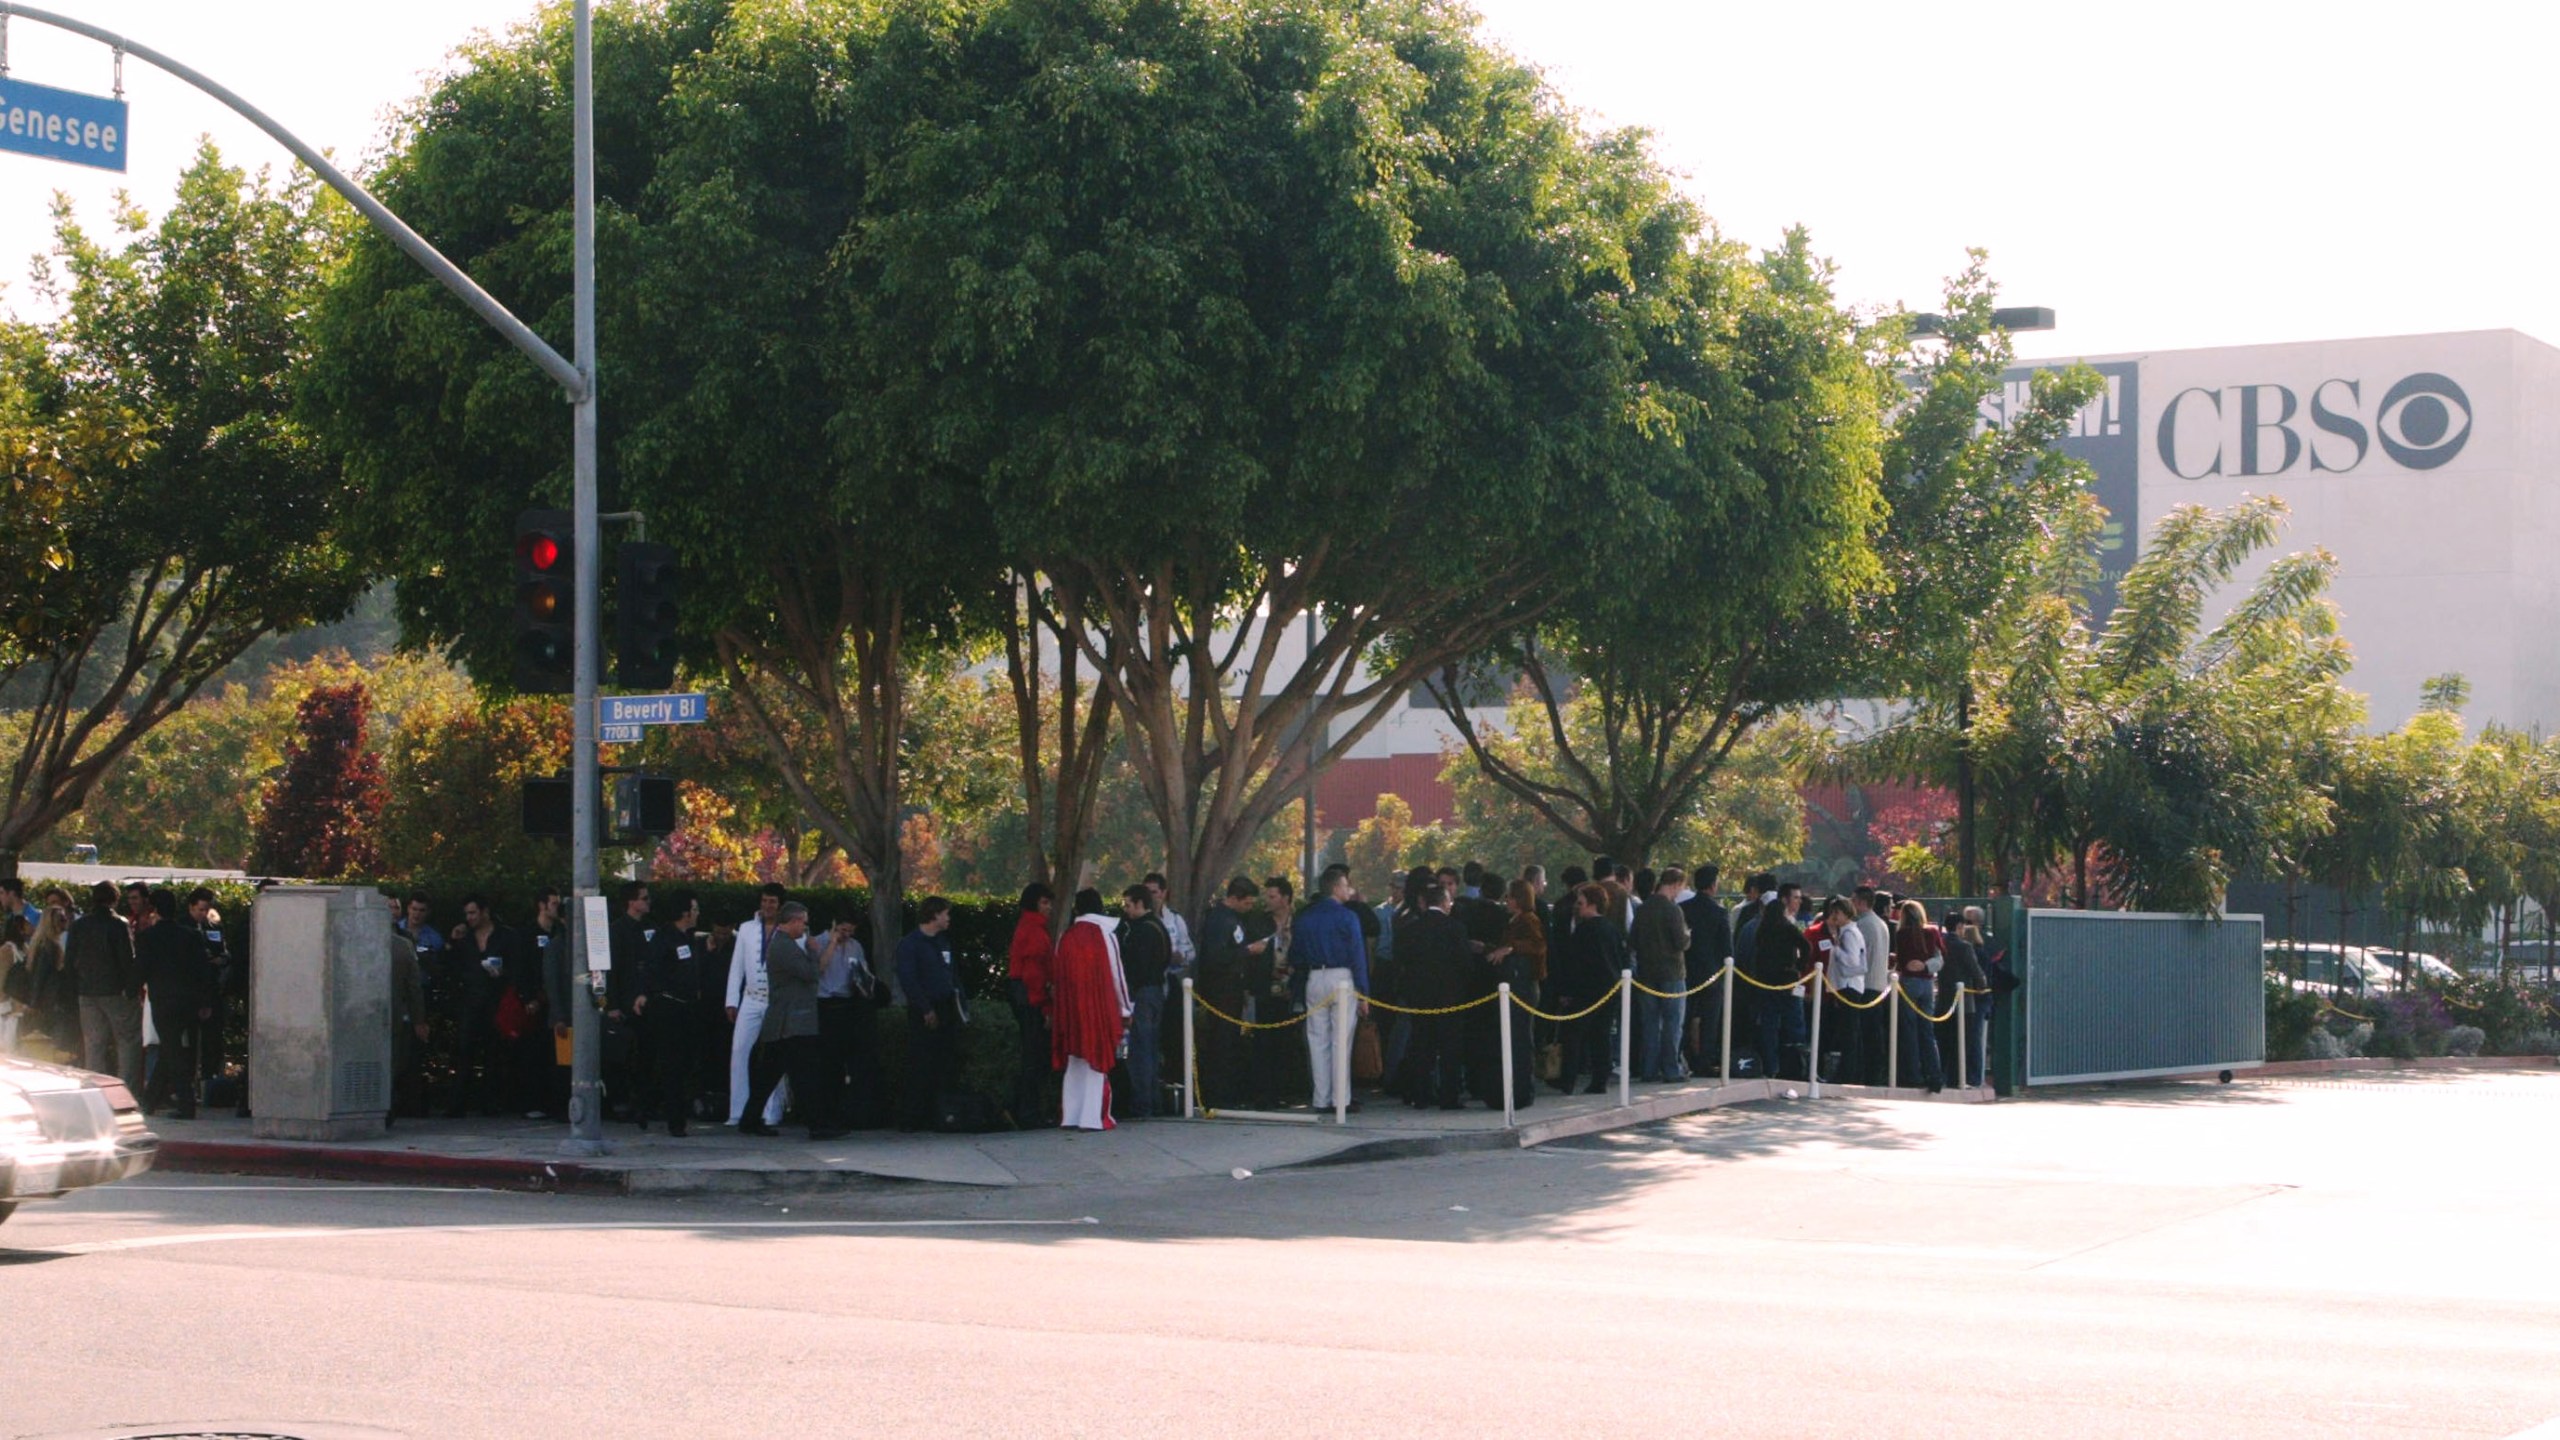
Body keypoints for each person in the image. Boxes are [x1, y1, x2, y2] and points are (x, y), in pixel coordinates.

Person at [740, 903, 844, 1140]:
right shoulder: (784, 947)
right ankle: (817, 1125)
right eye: (803, 922)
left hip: (786, 1024)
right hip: (791, 1023)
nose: (805, 927)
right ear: (793, 921)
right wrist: (813, 950)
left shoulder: (784, 945)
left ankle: (750, 1119)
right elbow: (810, 973)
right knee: (805, 1075)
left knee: (769, 1074)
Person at [1051, 889, 1131, 1131]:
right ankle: (1092, 1117)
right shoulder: (1105, 934)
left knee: (1075, 1059)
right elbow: (1117, 975)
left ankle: (1071, 1115)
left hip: (1071, 1007)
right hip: (1097, 1005)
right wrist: (1125, 1009)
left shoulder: (1067, 936)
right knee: (1097, 1057)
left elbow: (1058, 975)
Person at [1295, 866, 1370, 1114]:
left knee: (1317, 1040)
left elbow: (1296, 954)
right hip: (1342, 976)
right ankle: (1341, 1099)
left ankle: (1321, 1098)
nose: (1349, 889)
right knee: (1341, 1040)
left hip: (1314, 975)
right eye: (1346, 884)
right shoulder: (1348, 917)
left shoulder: (1305, 917)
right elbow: (1358, 955)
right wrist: (1363, 991)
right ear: (1337, 888)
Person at [1393, 880, 1472, 1109]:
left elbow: (1400, 963)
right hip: (1450, 998)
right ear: (1445, 902)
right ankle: (1449, 1096)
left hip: (1420, 997)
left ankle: (1421, 1094)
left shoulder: (1410, 930)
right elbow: (1465, 964)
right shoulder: (1456, 928)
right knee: (1450, 1049)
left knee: (1422, 1046)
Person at [634, 893, 706, 1136]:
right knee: (672, 1064)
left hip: (687, 1008)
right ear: (685, 913)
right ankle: (675, 1121)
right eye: (694, 909)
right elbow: (650, 968)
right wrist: (644, 994)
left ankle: (650, 1106)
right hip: (668, 1008)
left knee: (685, 1064)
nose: (697, 913)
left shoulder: (690, 938)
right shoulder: (664, 937)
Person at [137, 889, 212, 1118]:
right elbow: (203, 970)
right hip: (187, 1000)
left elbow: (141, 969)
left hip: (163, 1000)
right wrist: (205, 1001)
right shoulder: (191, 936)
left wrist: (132, 990)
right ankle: (149, 1101)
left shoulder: (147, 937)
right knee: (171, 1049)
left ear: (155, 910)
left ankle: (185, 1103)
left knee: (172, 1050)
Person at [893, 897, 964, 1131]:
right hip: (925, 1007)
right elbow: (909, 979)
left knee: (946, 1061)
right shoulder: (911, 944)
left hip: (947, 1004)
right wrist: (925, 1008)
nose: (948, 918)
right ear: (934, 915)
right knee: (920, 1062)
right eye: (945, 914)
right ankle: (911, 1117)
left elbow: (951, 974)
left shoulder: (942, 942)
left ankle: (942, 1114)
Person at [1548, 883, 1626, 1095]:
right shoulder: (1611, 929)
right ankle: (1600, 1079)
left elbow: (1574, 964)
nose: (1577, 907)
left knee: (1573, 1035)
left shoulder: (1584, 931)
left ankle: (1568, 1079)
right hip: (1609, 989)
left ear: (1592, 905)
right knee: (1601, 1036)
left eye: (1581, 903)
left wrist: (1566, 991)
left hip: (1586, 990)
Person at [723, 883, 790, 1128]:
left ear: (780, 904)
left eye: (772, 902)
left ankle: (771, 1111)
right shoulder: (746, 929)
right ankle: (738, 1110)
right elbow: (736, 966)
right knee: (739, 1050)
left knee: (773, 1055)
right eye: (764, 901)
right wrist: (732, 1000)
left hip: (776, 1000)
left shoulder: (788, 929)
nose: (767, 906)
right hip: (751, 997)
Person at [445, 895, 517, 1118]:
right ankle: (458, 1103)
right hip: (471, 1001)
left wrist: (502, 973)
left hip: (495, 1000)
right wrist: (452, 942)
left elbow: (517, 967)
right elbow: (451, 965)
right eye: (467, 914)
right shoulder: (465, 938)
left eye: (473, 913)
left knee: (494, 1052)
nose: (470, 918)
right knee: (465, 1050)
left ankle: (491, 1102)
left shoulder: (506, 936)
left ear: (485, 912)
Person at [1190, 877, 1258, 1110]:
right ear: (1235, 898)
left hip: (1234, 990)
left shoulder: (1234, 919)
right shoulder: (1219, 920)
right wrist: (1246, 951)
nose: (1250, 908)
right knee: (1221, 1041)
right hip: (1220, 990)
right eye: (1247, 903)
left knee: (1230, 1041)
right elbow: (1215, 957)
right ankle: (1218, 1095)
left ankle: (1228, 1091)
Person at [67, 883, 143, 1088]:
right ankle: (126, 1089)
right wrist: (132, 988)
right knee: (127, 1041)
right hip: (116, 991)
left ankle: (94, 1090)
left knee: (94, 1044)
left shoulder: (79, 925)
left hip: (87, 991)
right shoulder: (119, 924)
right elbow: (128, 959)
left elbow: (69, 960)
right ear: (114, 899)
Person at [812, 912, 882, 1128]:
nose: (846, 935)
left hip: (846, 1004)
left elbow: (863, 973)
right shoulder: (818, 942)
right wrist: (833, 942)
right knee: (827, 1061)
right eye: (843, 930)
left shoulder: (855, 946)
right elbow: (819, 969)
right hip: (825, 1003)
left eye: (850, 931)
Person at [1485, 878, 1545, 1109]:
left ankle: (1522, 1089)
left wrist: (1512, 948)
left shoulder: (1529, 920)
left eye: (1510, 897)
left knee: (1520, 1038)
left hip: (1523, 985)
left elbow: (1539, 946)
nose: (1506, 900)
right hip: (1514, 984)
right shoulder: (1514, 921)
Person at [1242, 876, 1301, 1107]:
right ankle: (1263, 1092)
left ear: (1286, 898)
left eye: (1273, 896)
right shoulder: (1258, 923)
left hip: (1292, 989)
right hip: (1265, 989)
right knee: (1264, 1041)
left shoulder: (1298, 922)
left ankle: (1287, 1089)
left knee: (1288, 1041)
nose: (1268, 900)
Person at [1630, 868, 1693, 1082]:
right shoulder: (1672, 910)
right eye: (1681, 886)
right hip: (1672, 972)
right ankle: (1670, 1069)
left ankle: (1649, 1069)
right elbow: (1681, 942)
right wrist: (1687, 935)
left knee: (1650, 1023)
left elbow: (1633, 940)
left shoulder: (1643, 908)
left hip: (1646, 972)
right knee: (1672, 1022)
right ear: (1675, 884)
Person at [1117, 884, 1173, 1119]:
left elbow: (1135, 965)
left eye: (1129, 905)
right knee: (1149, 1048)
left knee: (1141, 1049)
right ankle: (1153, 1102)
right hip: (1155, 991)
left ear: (1140, 904)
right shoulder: (1158, 927)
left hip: (1142, 993)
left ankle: (1143, 1104)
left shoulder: (1143, 931)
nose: (1126, 910)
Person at [1749, 882, 1815, 1082]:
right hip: (1788, 979)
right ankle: (1798, 1066)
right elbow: (1806, 946)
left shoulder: (1761, 930)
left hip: (1766, 981)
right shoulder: (1787, 926)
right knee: (1795, 1023)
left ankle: (1771, 1065)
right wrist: (1799, 966)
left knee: (1769, 1024)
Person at [1005, 884, 1056, 1128]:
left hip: (1023, 994)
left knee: (1031, 1056)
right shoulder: (1035, 931)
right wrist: (1046, 1007)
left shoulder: (1027, 927)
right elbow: (1036, 973)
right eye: (1045, 903)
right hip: (1032, 998)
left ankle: (1024, 1109)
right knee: (1035, 1057)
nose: (1049, 908)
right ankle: (1030, 1112)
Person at [1891, 900, 1946, 1092]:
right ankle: (1934, 1073)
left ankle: (1912, 1074)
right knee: (1927, 1031)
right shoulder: (1932, 932)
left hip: (1909, 982)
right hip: (1927, 982)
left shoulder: (1901, 934)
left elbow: (1901, 960)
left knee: (1909, 1029)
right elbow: (1940, 958)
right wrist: (1925, 966)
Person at [1937, 908, 1991, 1088]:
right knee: (1962, 1042)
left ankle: (1941, 1076)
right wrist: (1982, 986)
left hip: (1943, 1000)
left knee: (1943, 1041)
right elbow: (1976, 972)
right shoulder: (1964, 946)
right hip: (1964, 1002)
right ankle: (1957, 1078)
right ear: (1959, 927)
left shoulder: (1940, 942)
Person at [0, 914, 29, 1054]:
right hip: (7, 1007)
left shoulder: (24, 948)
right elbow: (1, 977)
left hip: (19, 1005)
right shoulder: (7, 950)